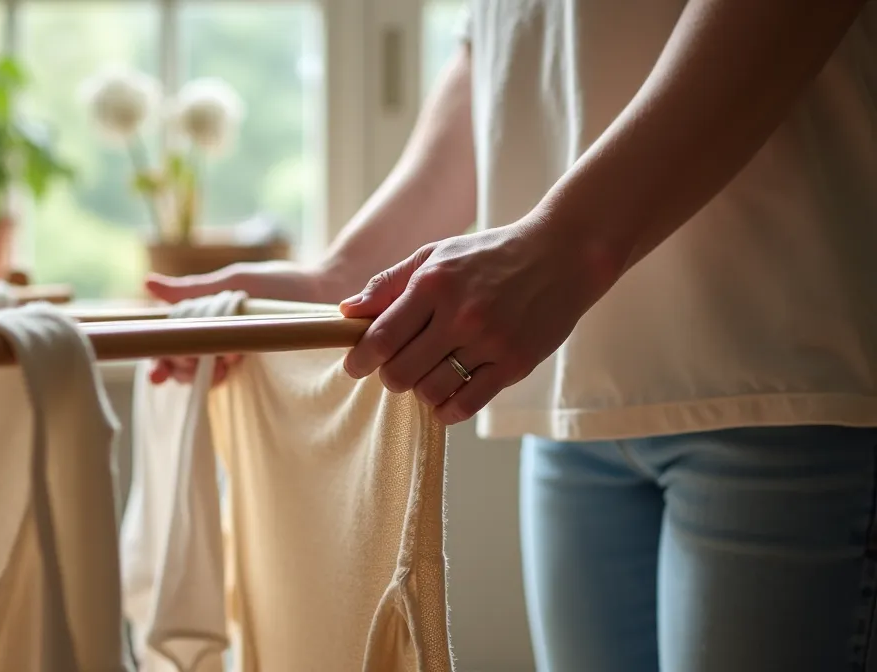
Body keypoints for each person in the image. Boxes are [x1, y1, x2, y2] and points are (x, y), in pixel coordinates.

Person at [145, 1, 877, 670]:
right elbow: (511, 41)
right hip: (574, 402)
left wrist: (565, 245)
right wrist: (337, 278)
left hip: (786, 375)